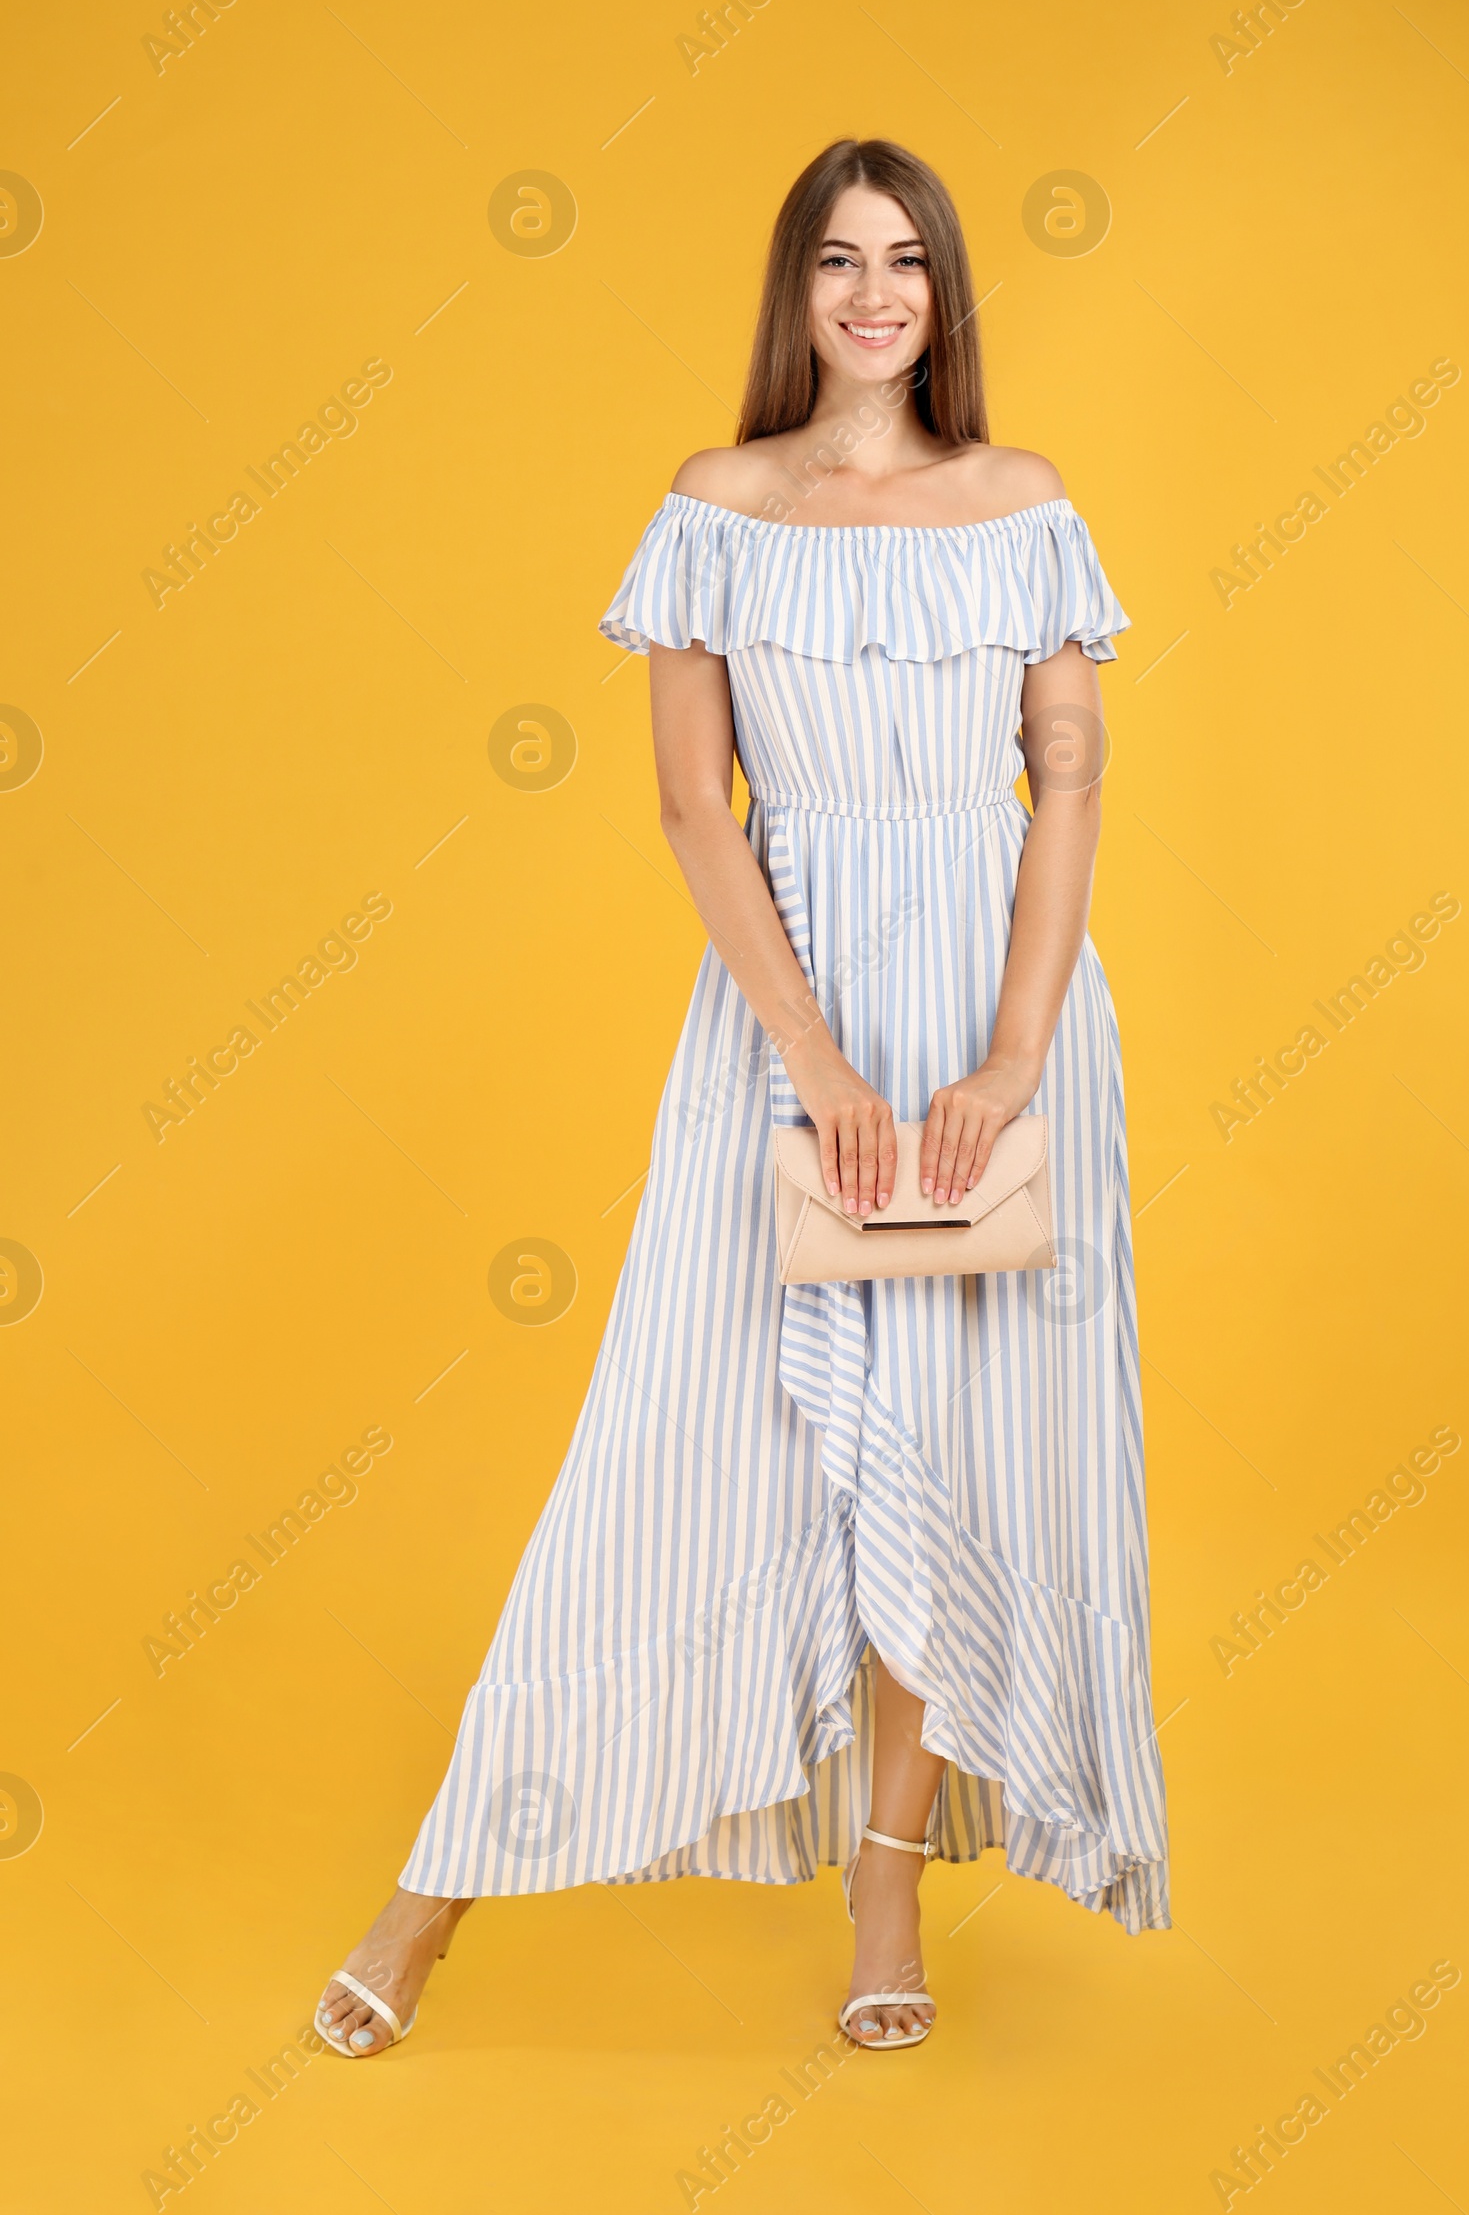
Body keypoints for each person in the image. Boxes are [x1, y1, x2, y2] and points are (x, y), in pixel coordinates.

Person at [316, 135, 1168, 2061]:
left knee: (957, 1455)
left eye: (910, 263)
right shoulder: (717, 506)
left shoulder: (1022, 504)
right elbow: (698, 803)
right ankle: (438, 1889)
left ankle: (889, 1890)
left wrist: (1016, 1053)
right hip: (789, 1021)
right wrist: (812, 1051)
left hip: (993, 1013)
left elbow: (1073, 782)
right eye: (839, 262)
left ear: (948, 294)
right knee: (679, 1439)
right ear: (795, 294)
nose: (877, 294)